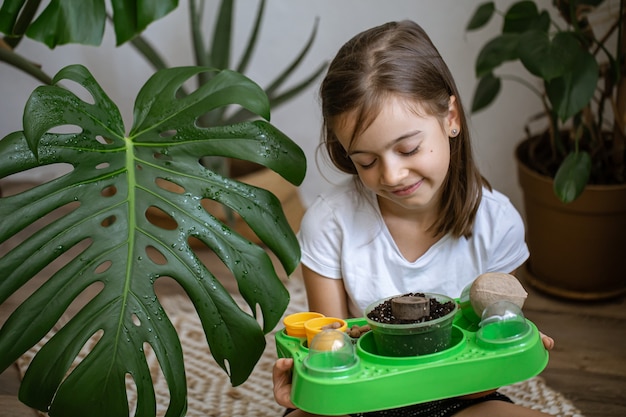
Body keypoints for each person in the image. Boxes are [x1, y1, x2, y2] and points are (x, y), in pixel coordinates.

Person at [272, 20, 555, 417]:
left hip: (456, 396)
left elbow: (480, 386)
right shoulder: (329, 222)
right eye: (366, 161)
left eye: (408, 148)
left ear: (451, 117)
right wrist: (307, 385)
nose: (390, 175)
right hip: (359, 400)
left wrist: (508, 348)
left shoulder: (498, 223)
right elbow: (332, 360)